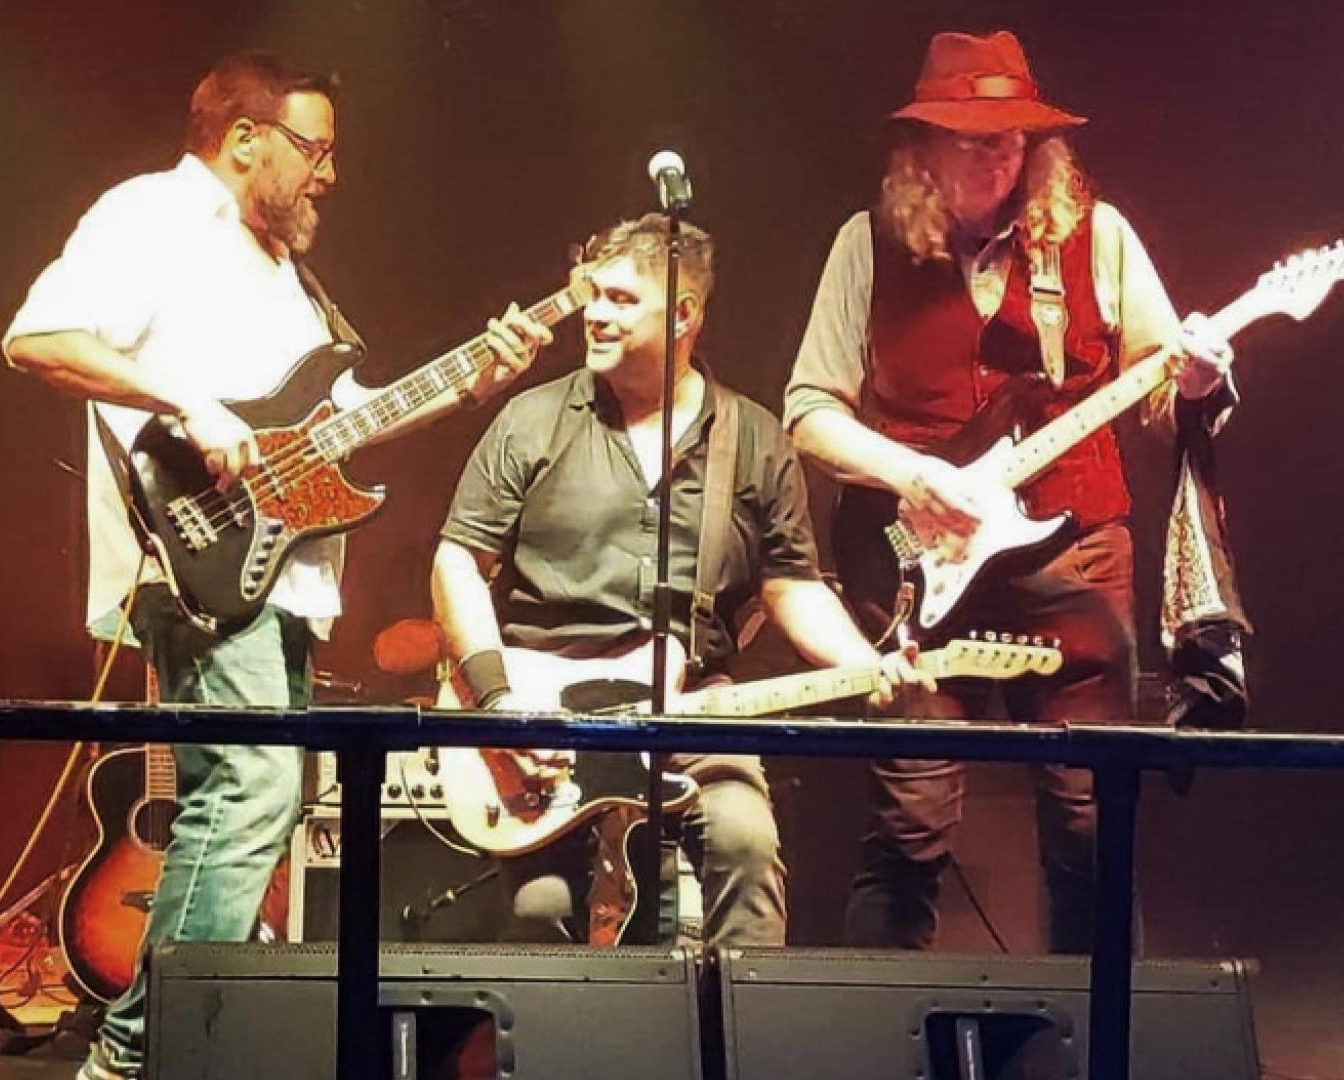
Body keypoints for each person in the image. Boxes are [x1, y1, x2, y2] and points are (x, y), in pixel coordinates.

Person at [2, 50, 548, 1080]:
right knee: (249, 790)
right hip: (202, 566)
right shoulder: (154, 215)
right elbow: (37, 338)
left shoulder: (288, 276)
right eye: (314, 148)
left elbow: (334, 427)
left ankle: (164, 1048)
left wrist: (468, 383)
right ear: (244, 138)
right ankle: (136, 1057)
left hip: (278, 577)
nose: (329, 174)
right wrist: (188, 403)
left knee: (254, 796)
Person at [783, 30, 1236, 954]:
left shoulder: (1100, 238)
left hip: (1076, 556)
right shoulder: (864, 245)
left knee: (1093, 822)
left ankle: (1104, 1023)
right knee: (907, 826)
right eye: (972, 138)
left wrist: (1196, 381)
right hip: (918, 567)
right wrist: (910, 471)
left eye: (1012, 137)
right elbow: (808, 410)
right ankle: (876, 1023)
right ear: (923, 148)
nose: (997, 155)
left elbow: (1159, 390)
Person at [432, 214, 931, 947]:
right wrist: (500, 706)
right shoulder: (531, 422)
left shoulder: (751, 438)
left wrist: (866, 663)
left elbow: (791, 585)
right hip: (545, 717)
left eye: (621, 300)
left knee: (747, 850)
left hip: (692, 707)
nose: (595, 314)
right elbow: (458, 563)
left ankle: (736, 1018)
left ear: (684, 314)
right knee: (543, 911)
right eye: (592, 294)